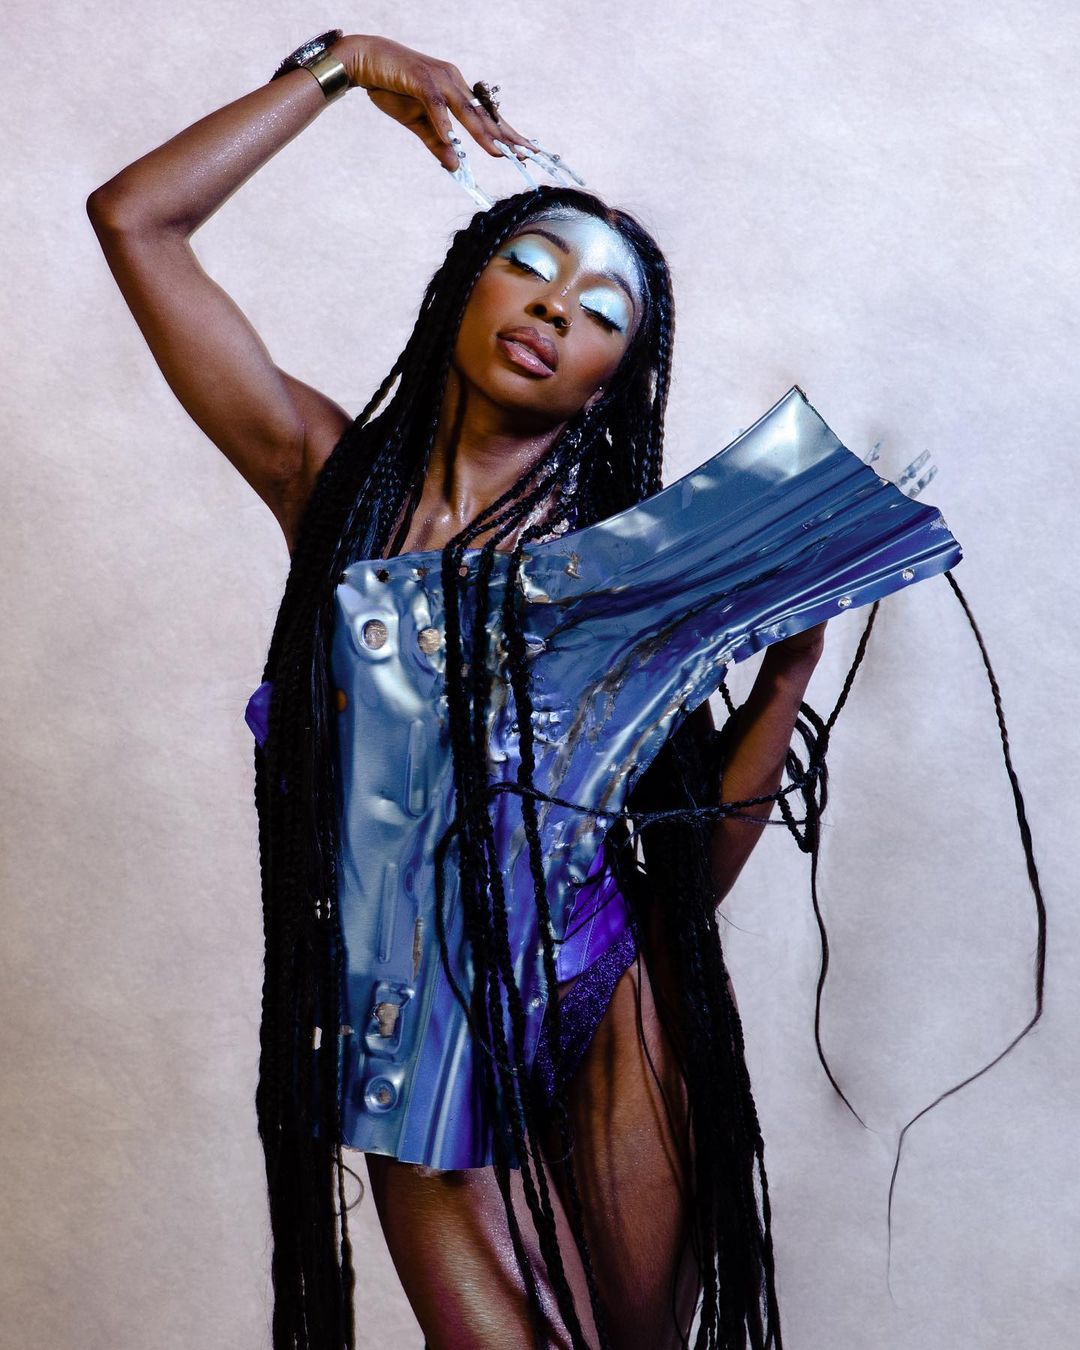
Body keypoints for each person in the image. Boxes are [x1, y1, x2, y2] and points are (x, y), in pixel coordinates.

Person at [87, 29, 1035, 1350]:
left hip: (614, 1002)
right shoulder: (329, 485)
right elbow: (135, 222)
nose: (552, 312)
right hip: (414, 1012)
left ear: (612, 384)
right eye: (531, 271)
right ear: (461, 289)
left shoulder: (622, 579)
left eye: (600, 313)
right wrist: (342, 67)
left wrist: (791, 660)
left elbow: (686, 880)